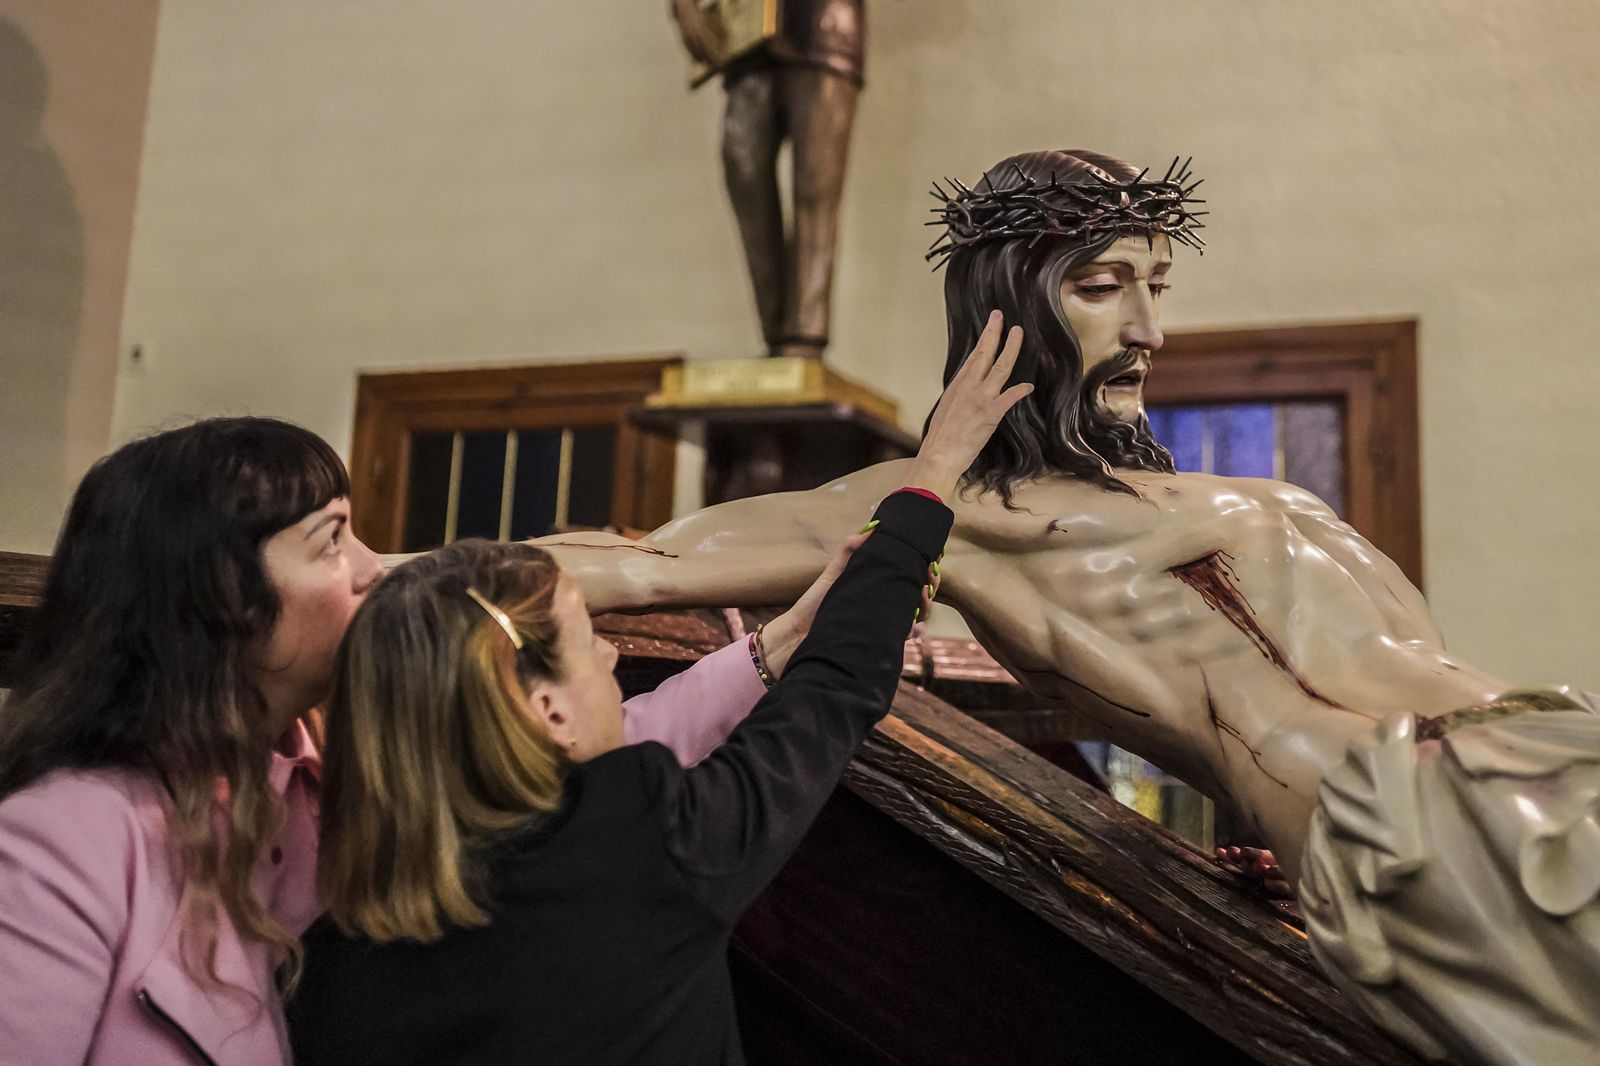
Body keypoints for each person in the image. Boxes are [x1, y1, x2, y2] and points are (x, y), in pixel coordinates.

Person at [532, 149, 1600, 1065]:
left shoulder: (1259, 499)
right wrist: (367, 567)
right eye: (1099, 286)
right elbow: (646, 567)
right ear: (1007, 312)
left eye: (1156, 288)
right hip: (1421, 824)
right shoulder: (968, 512)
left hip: (1544, 744)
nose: (1148, 329)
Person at [285, 320, 1028, 1065]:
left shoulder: (329, 957)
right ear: (546, 710)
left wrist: (795, 626)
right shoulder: (630, 844)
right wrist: (932, 475)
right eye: (588, 641)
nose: (613, 657)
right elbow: (833, 697)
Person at [0, 416, 801, 1066]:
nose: (374, 566)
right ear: (222, 601)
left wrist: (781, 648)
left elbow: (568, 757)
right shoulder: (68, 840)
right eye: (333, 540)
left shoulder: (336, 773)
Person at [669, 0, 863, 358]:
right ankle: (775, 334)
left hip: (824, 26)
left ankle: (805, 337)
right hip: (748, 34)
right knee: (744, 167)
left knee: (816, 186)